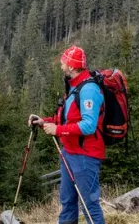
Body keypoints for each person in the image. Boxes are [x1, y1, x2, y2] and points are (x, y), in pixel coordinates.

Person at [29, 45, 105, 224]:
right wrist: (44, 122)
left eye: (63, 62)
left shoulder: (89, 90)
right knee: (68, 202)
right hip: (69, 154)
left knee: (89, 206)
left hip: (86, 157)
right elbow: (66, 118)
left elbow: (89, 126)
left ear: (71, 66)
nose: (61, 65)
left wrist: (58, 130)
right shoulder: (74, 86)